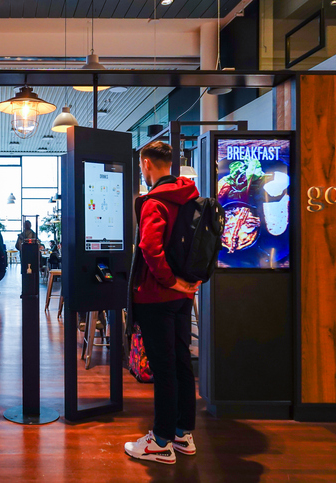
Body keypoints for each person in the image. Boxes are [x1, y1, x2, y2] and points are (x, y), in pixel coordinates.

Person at [124, 141, 201, 465]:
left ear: (146, 164)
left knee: (164, 367)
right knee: (181, 363)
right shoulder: (188, 197)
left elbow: (150, 250)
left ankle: (160, 441)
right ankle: (183, 433)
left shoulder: (155, 202)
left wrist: (168, 281)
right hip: (182, 294)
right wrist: (182, 283)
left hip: (158, 295)